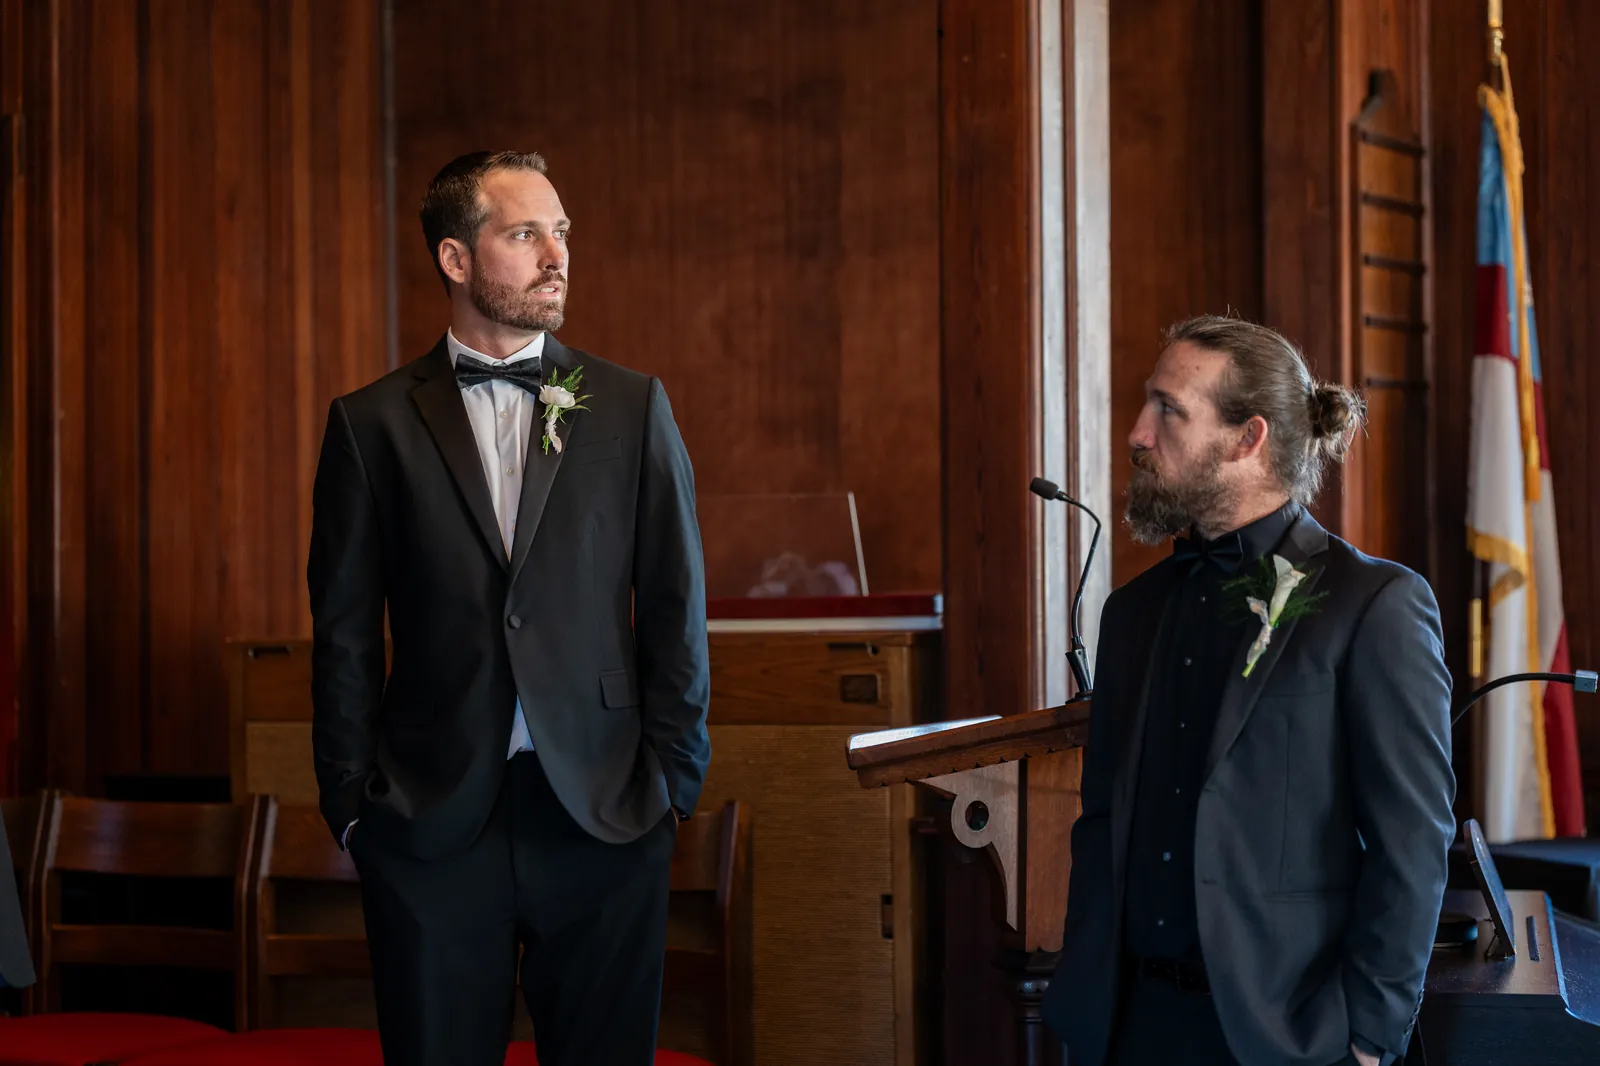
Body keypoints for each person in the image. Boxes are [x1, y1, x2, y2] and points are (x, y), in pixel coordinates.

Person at [308, 150, 711, 1066]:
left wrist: (671, 785)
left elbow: (678, 606)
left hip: (606, 814)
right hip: (429, 822)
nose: (555, 255)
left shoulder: (632, 407)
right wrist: (353, 808)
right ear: (456, 259)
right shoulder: (369, 425)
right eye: (526, 233)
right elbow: (341, 636)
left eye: (560, 232)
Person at [1042, 316, 1455, 1066]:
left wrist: (1367, 1038)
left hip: (1284, 1039)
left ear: (1247, 439)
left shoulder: (1372, 606)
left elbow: (1412, 846)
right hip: (1125, 1030)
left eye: (1168, 409)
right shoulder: (1130, 614)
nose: (1137, 433)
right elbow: (1101, 826)